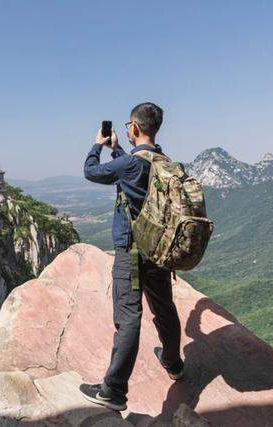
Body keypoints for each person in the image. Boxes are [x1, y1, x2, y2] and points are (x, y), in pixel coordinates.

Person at [78, 102, 184, 411]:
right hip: (159, 251)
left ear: (134, 128)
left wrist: (98, 144)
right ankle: (174, 363)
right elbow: (133, 167)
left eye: (128, 125)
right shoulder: (165, 163)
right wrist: (119, 149)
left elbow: (90, 172)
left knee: (128, 318)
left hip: (131, 252)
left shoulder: (129, 165)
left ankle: (113, 391)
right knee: (164, 308)